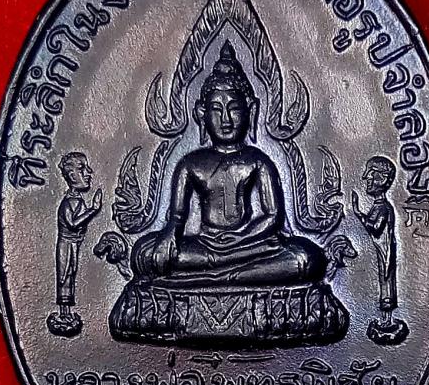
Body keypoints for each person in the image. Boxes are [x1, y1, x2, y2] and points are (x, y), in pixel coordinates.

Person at [131, 41, 326, 286]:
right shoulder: (190, 164)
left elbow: (272, 216)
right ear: (201, 113)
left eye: (234, 109)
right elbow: (177, 217)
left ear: (250, 110)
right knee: (144, 253)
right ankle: (228, 274)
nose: (225, 120)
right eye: (216, 109)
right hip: (205, 246)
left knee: (306, 259)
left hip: (250, 244)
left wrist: (240, 237)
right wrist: (169, 236)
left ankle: (218, 276)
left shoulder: (257, 161)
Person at [352, 155, 407, 344]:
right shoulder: (379, 206)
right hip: (381, 252)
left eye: (371, 174)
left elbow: (374, 227)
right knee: (384, 282)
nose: (366, 178)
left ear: (382, 179)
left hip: (385, 254)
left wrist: (358, 213)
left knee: (386, 283)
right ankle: (386, 319)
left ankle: (387, 321)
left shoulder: (383, 207)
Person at [55, 152, 102, 316]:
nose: (89, 172)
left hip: (74, 245)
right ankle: (64, 313)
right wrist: (93, 210)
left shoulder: (78, 200)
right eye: (82, 169)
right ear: (72, 176)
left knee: (70, 275)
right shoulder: (67, 203)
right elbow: (73, 224)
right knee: (64, 278)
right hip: (66, 246)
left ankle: (67, 312)